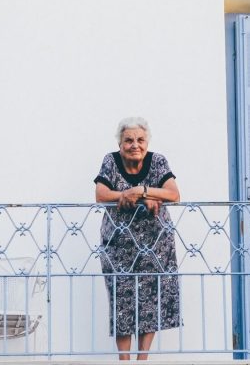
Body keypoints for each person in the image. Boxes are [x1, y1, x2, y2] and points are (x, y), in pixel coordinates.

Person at [94, 117, 181, 360]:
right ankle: (124, 360)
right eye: (129, 140)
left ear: (147, 142)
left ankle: (142, 359)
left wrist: (140, 192)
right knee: (121, 300)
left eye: (140, 140)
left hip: (156, 244)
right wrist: (126, 194)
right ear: (120, 143)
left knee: (151, 299)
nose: (135, 145)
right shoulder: (110, 161)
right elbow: (101, 194)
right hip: (119, 244)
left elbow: (174, 194)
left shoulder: (158, 161)